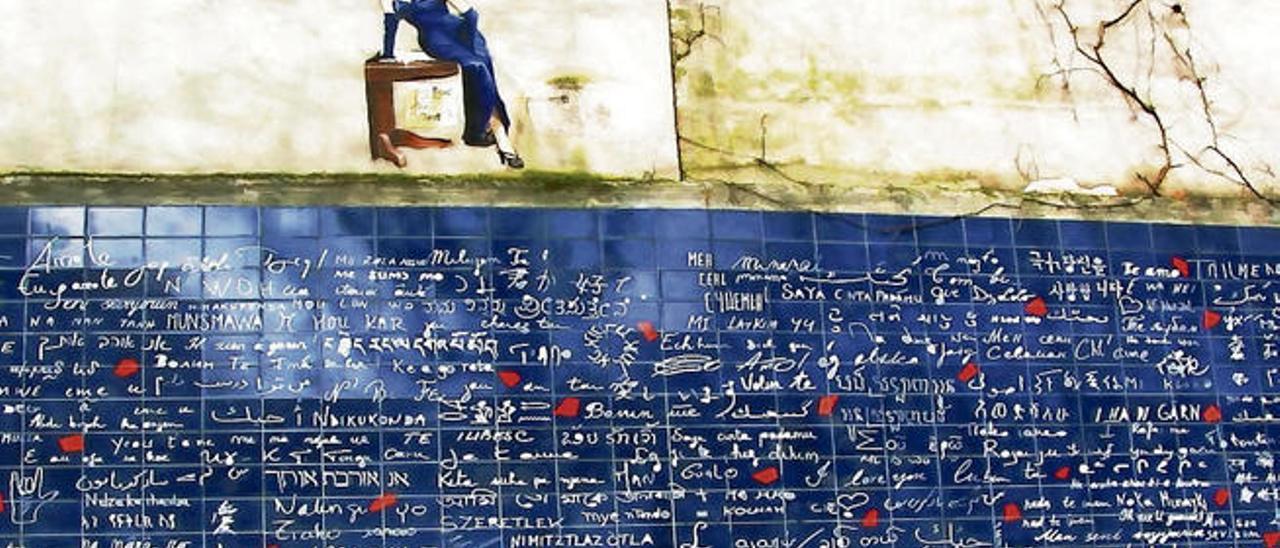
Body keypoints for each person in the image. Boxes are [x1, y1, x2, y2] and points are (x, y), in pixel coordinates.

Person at [378, 0, 523, 169]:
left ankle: (499, 139)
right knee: (477, 68)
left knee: (481, 72)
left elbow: (471, 14)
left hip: (464, 34)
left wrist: (468, 42)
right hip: (436, 41)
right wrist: (388, 55)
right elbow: (390, 24)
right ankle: (480, 134)